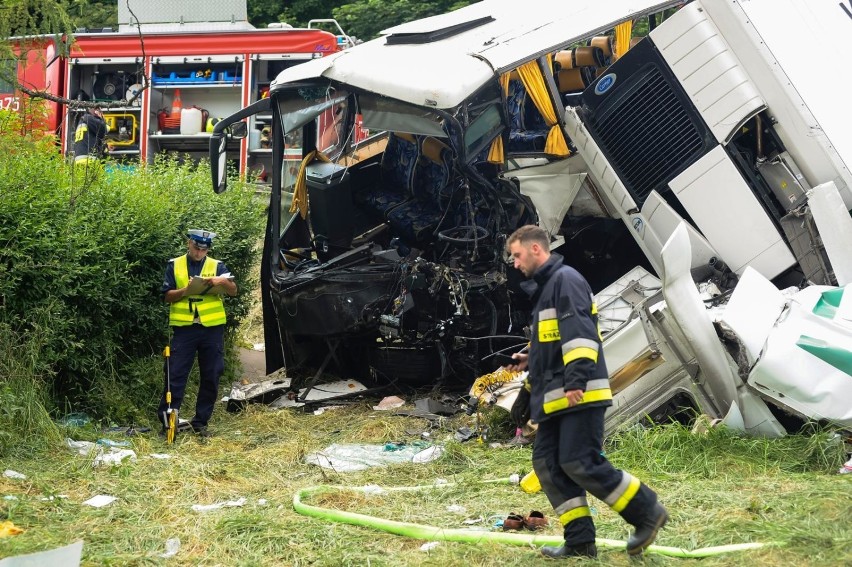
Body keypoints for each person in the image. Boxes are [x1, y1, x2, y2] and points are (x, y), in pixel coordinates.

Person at [506, 225, 668, 559]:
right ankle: (580, 541)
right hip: (554, 397)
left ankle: (647, 511)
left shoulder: (566, 281)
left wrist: (577, 380)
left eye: (517, 255)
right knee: (549, 465)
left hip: (576, 392)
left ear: (536, 249)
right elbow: (550, 344)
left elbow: (580, 334)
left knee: (579, 461)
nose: (515, 263)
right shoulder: (547, 289)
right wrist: (527, 385)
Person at [157, 229, 237, 438]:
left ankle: (200, 423)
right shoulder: (174, 265)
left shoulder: (217, 266)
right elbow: (166, 296)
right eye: (196, 247)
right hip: (184, 329)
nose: (200, 252)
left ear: (208, 249)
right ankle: (168, 425)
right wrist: (186, 290)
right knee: (174, 376)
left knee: (211, 375)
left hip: (212, 328)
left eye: (204, 249)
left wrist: (222, 282)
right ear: (189, 244)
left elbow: (233, 290)